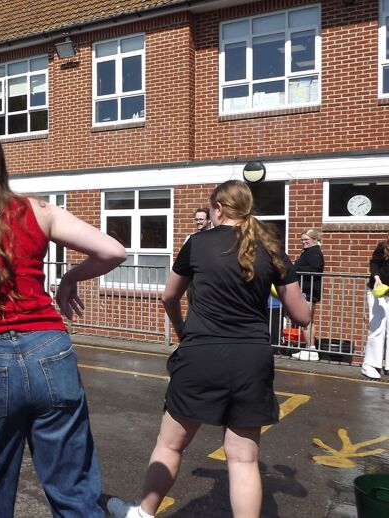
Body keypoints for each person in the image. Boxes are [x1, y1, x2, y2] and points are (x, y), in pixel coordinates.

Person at [0, 129, 126, 517]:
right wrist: (69, 278)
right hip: (50, 348)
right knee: (74, 492)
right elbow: (113, 251)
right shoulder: (39, 210)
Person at [107, 180, 311, 518]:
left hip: (201, 353)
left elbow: (169, 296)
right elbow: (302, 316)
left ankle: (142, 514)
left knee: (170, 444)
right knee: (244, 459)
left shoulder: (197, 243)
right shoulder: (271, 247)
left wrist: (180, 329)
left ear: (218, 208)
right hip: (251, 359)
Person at [292, 229, 325, 361]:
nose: (304, 242)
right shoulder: (308, 252)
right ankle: (310, 349)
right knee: (308, 320)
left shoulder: (314, 252)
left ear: (315, 240)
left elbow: (315, 268)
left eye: (307, 239)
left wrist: (295, 268)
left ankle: (311, 350)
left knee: (305, 320)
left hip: (310, 290)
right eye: (302, 239)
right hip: (308, 289)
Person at [362, 230, 389, 380]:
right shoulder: (382, 247)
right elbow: (374, 264)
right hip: (377, 291)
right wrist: (377, 277)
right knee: (378, 327)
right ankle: (370, 365)